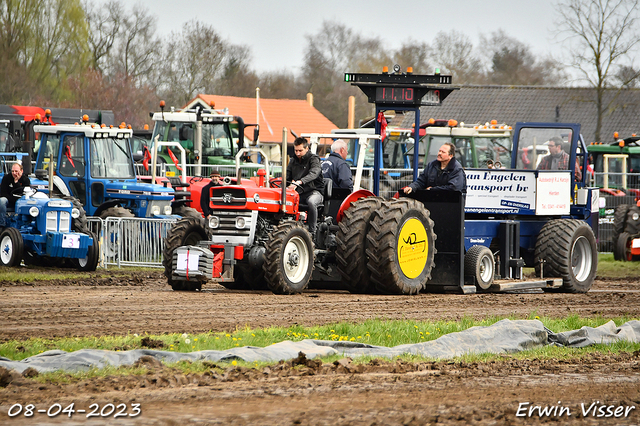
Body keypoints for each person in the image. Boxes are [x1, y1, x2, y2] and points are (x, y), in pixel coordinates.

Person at [287, 137, 324, 235]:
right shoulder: (293, 160)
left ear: (307, 149)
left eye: (300, 150)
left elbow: (314, 174)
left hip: (314, 191)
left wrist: (300, 182)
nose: (297, 153)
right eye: (296, 150)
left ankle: (313, 232)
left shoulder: (314, 159)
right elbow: (287, 176)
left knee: (311, 202)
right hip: (299, 192)